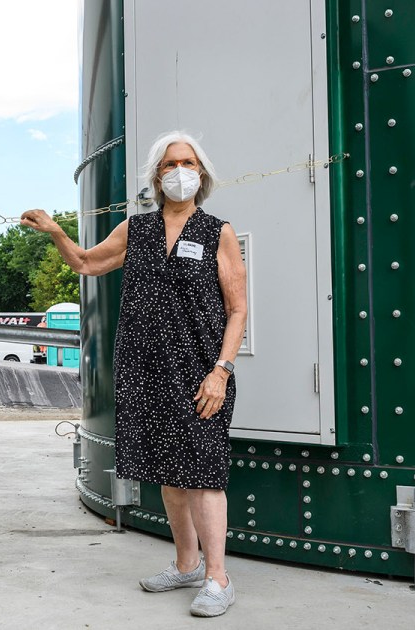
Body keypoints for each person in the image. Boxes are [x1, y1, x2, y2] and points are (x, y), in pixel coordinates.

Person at [21, 131, 247, 618]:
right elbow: (85, 262)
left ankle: (217, 577)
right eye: (169, 165)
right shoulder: (136, 230)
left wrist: (221, 371)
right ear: (157, 176)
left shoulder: (217, 232)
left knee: (205, 473)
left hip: (201, 372)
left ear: (201, 174)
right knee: (170, 473)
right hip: (147, 369)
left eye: (188, 162)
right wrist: (56, 231)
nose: (179, 171)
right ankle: (187, 564)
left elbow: (238, 309)